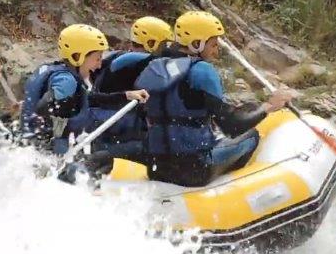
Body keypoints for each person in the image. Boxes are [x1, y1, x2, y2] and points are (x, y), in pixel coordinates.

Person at [135, 11, 295, 187]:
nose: (216, 51)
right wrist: (269, 106)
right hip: (194, 170)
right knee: (252, 136)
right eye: (213, 45)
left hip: (156, 168)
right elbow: (232, 126)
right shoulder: (201, 70)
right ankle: (233, 189)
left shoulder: (154, 67)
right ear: (196, 44)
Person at [19, 24, 149, 157]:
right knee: (137, 147)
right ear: (77, 56)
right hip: (51, 150)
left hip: (33, 144)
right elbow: (43, 109)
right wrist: (60, 144)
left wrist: (126, 95)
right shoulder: (66, 82)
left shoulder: (51, 70)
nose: (99, 65)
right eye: (97, 58)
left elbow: (86, 97)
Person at [88, 16, 174, 147]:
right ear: (151, 43)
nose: (166, 49)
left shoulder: (117, 56)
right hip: (114, 120)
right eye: (164, 44)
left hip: (101, 114)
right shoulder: (140, 60)